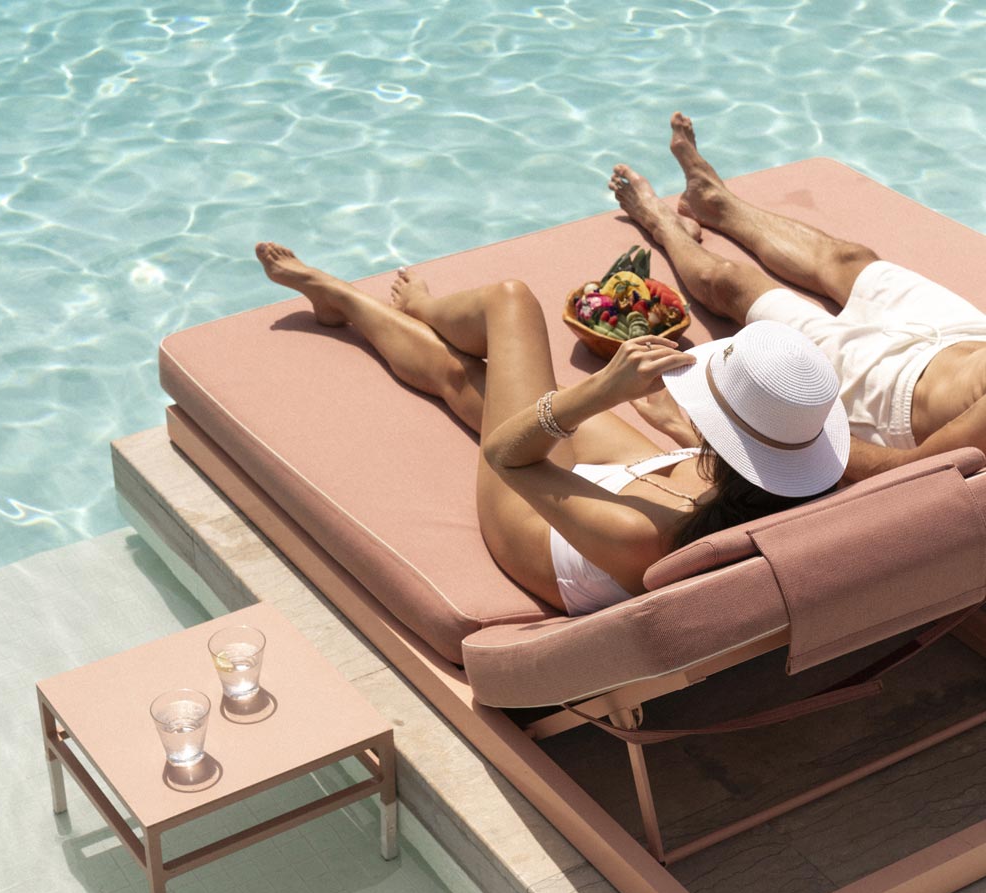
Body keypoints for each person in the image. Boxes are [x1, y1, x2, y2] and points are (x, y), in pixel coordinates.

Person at [255, 242, 848, 616]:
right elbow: (730, 479)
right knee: (486, 388)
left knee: (505, 309)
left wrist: (598, 392)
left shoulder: (638, 536)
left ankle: (381, 304)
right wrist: (693, 440)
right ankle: (349, 303)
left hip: (556, 538)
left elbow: (506, 455)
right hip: (678, 495)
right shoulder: (790, 495)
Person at [608, 112, 986, 482]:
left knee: (731, 282)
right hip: (961, 335)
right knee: (851, 259)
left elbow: (917, 472)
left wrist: (802, 442)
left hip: (887, 392)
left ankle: (663, 224)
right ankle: (717, 203)